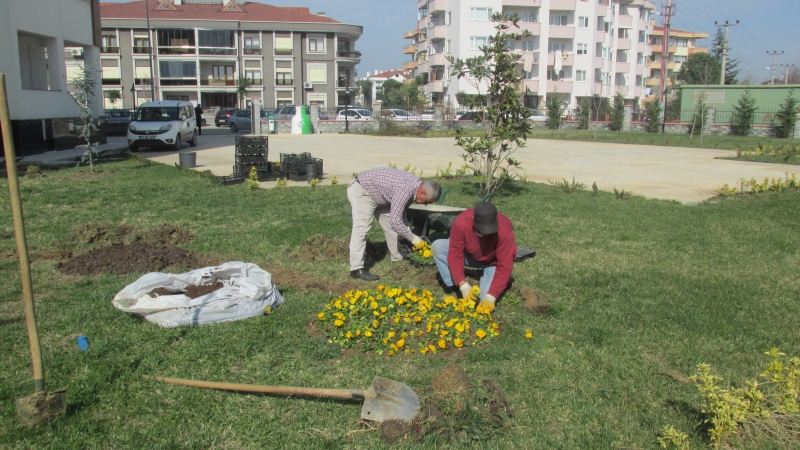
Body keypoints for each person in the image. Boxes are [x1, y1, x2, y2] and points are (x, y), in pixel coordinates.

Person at [348, 167, 441, 281]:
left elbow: (400, 216)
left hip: (381, 196)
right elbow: (396, 221)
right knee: (361, 229)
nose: (425, 205)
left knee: (392, 227)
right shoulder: (405, 189)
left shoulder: (416, 187)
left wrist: (407, 233)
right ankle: (356, 269)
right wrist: (414, 239)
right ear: (422, 192)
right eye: (426, 201)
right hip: (363, 191)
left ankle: (398, 257)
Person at [431, 202, 516, 314]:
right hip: (470, 256)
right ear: (474, 220)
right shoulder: (462, 222)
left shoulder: (505, 230)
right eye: (483, 228)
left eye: (490, 228)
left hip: (492, 262)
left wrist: (491, 296)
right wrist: (463, 285)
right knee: (438, 246)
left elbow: (505, 265)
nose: (487, 233)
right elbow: (455, 255)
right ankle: (453, 287)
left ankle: (491, 278)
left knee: (485, 298)